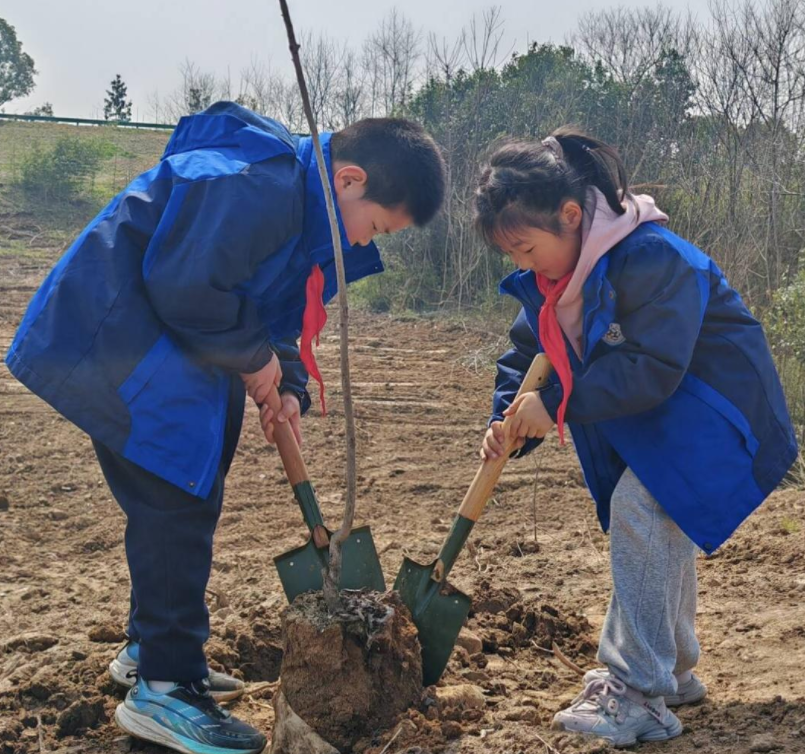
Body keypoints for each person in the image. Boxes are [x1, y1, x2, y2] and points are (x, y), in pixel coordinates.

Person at [5, 101, 446, 754]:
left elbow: (276, 308)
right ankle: (165, 688)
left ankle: (151, 650)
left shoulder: (305, 210)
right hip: (123, 344)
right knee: (175, 502)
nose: (364, 243)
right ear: (349, 180)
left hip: (175, 351)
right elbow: (183, 284)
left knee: (193, 490)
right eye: (375, 227)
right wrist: (253, 356)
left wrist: (285, 383)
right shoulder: (258, 188)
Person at [474, 128, 797, 747]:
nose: (523, 265)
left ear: (571, 215)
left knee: (642, 509)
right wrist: (508, 420)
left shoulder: (654, 259)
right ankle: (670, 673)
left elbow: (651, 365)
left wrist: (557, 405)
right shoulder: (552, 282)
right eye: (511, 254)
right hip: (663, 419)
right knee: (658, 516)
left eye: (526, 248)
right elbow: (525, 356)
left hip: (719, 413)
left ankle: (639, 691)